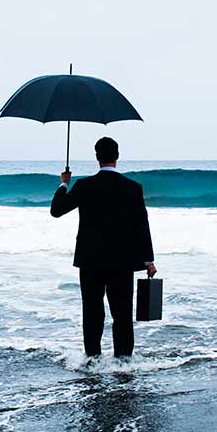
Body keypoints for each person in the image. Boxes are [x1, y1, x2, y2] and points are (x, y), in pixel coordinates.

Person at [51, 137, 155, 358]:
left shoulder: (84, 185)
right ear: (117, 156)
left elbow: (56, 210)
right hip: (122, 260)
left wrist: (64, 183)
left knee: (92, 311)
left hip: (90, 259)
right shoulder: (133, 188)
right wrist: (148, 260)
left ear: (97, 157)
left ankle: (93, 360)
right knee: (122, 313)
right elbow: (141, 225)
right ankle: (124, 362)